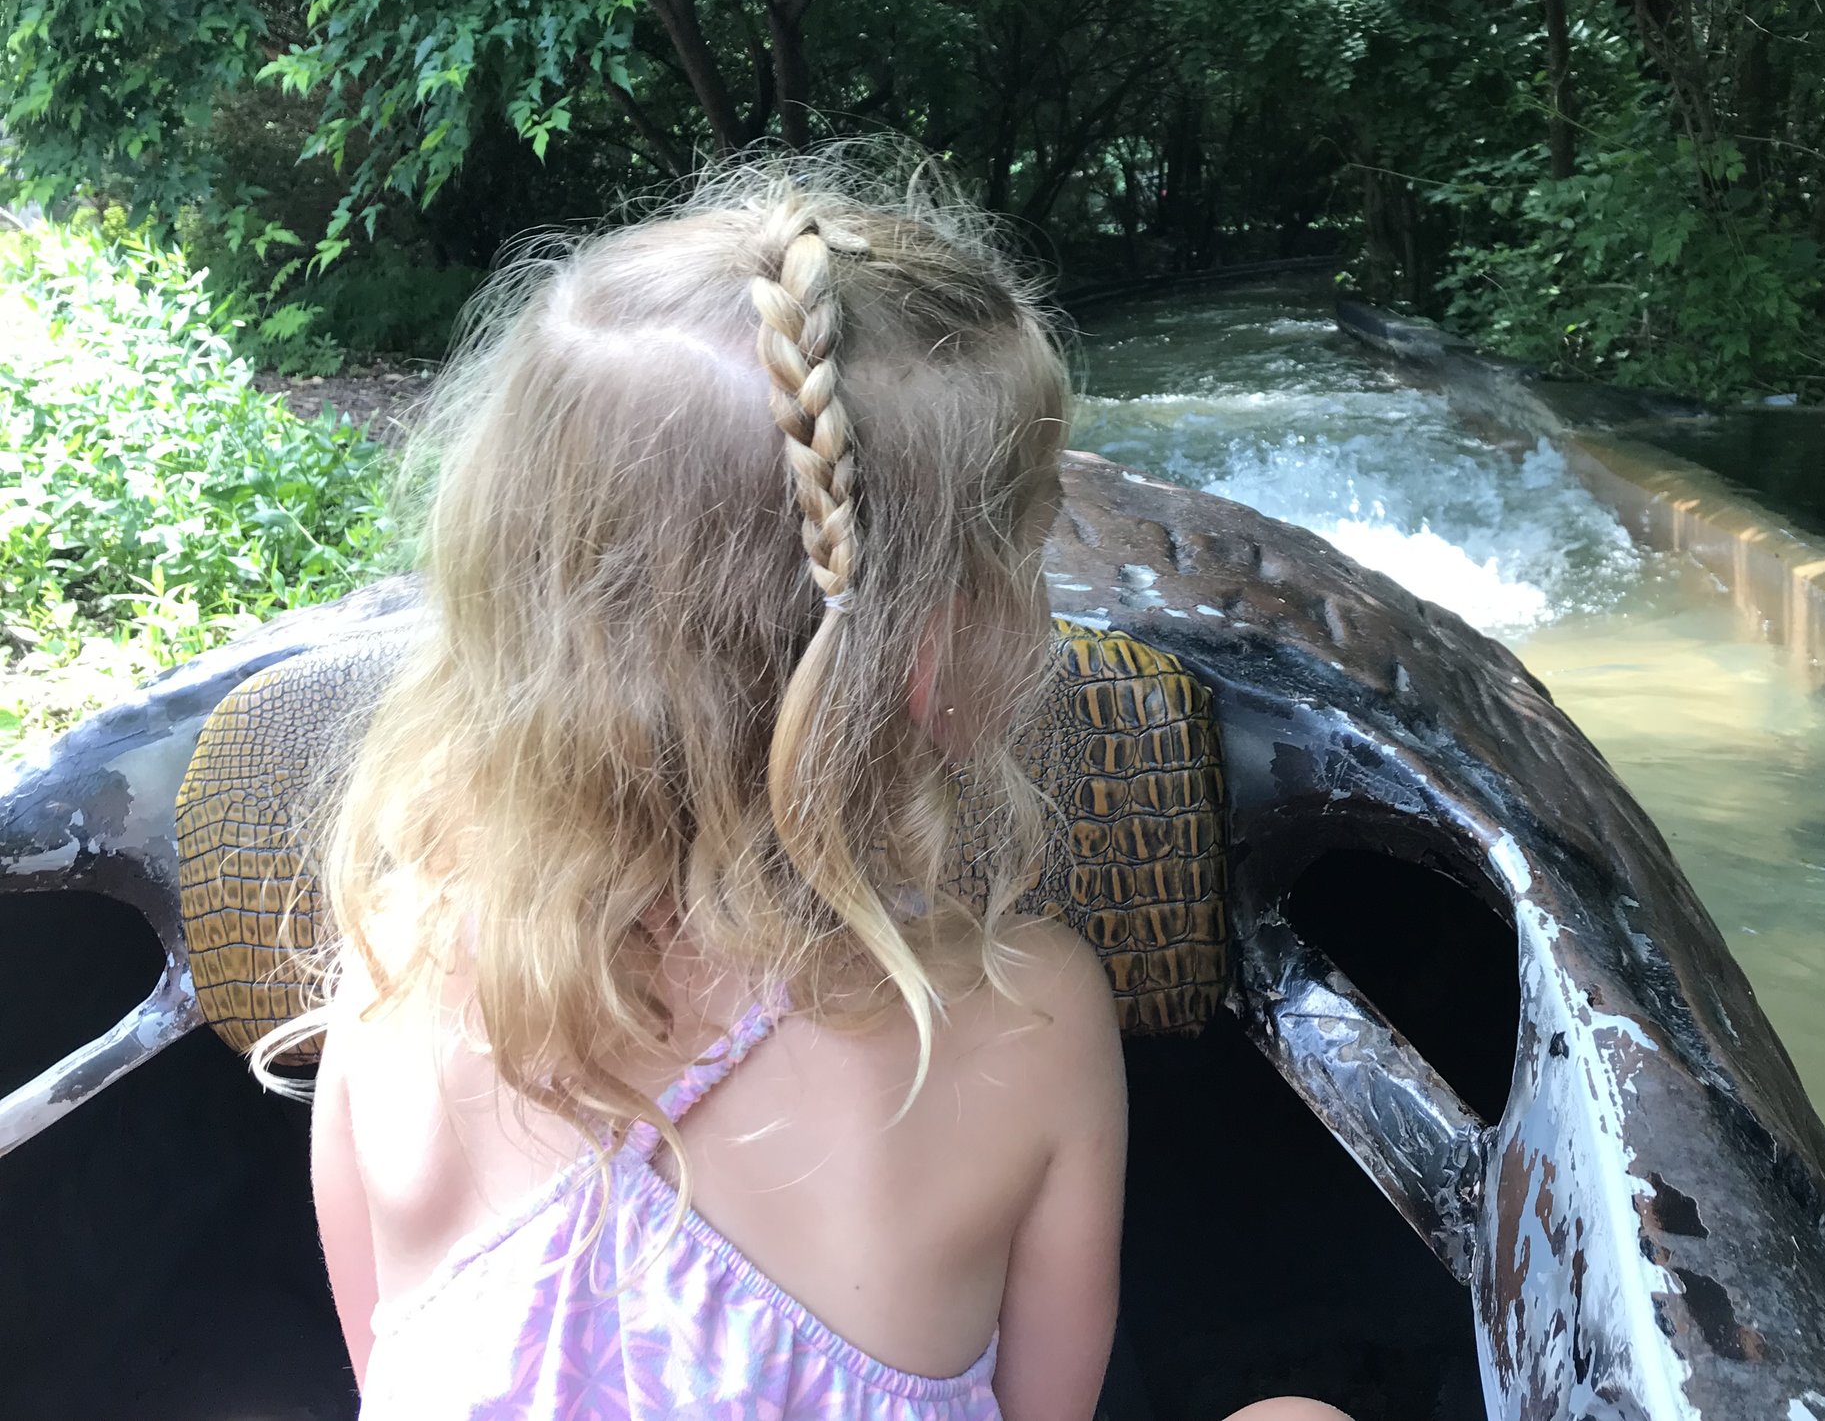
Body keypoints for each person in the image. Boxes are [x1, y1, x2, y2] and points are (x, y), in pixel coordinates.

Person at [280, 169, 1343, 1421]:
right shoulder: (1029, 1011)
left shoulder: (386, 957)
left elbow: (378, 1369)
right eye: (1029, 551)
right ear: (938, 647)